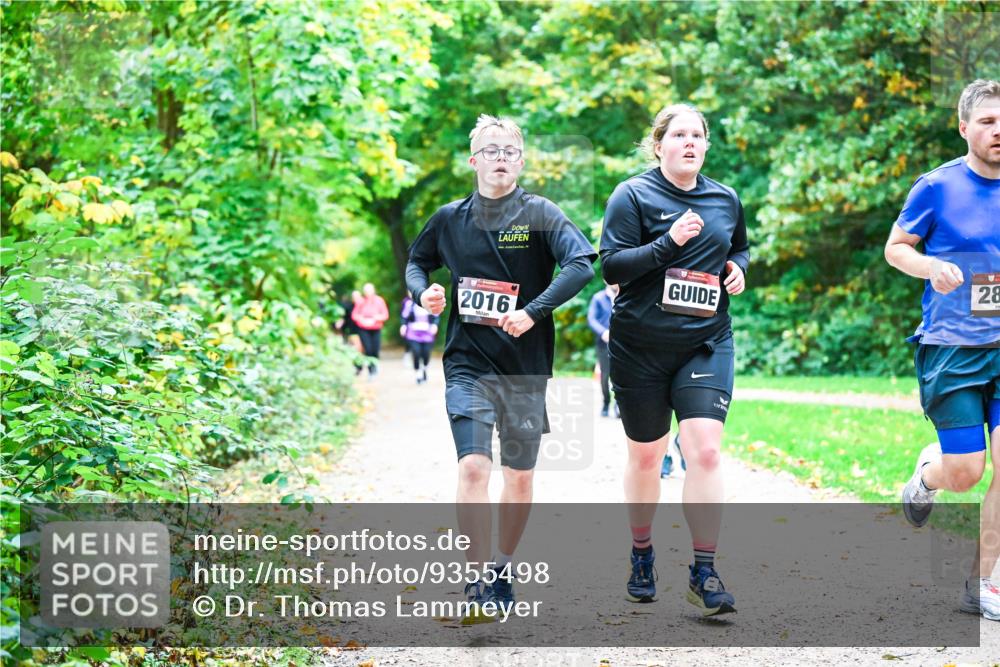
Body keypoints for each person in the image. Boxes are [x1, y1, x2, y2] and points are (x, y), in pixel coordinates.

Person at [406, 114, 596, 609]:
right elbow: (417, 261)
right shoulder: (450, 218)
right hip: (468, 362)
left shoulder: (540, 213)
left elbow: (581, 264)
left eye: (510, 151)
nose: (501, 159)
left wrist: (532, 312)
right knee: (473, 465)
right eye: (491, 150)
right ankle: (475, 582)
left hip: (524, 367)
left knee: (519, 475)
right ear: (474, 161)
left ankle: (501, 567)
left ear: (521, 162)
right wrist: (422, 290)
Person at [600, 103, 748, 616]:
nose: (689, 142)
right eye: (678, 134)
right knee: (645, 456)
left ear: (706, 145)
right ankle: (642, 553)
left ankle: (704, 570)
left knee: (705, 450)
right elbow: (611, 265)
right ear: (658, 143)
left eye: (698, 135)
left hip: (705, 341)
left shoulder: (724, 198)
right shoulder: (632, 195)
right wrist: (668, 243)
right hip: (639, 346)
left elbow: (740, 248)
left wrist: (738, 269)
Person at [886, 79, 1000, 620]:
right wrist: (930, 266)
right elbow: (896, 248)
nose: (998, 131)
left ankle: (983, 582)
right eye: (987, 121)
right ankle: (928, 474)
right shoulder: (936, 187)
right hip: (953, 347)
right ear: (964, 128)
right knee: (966, 472)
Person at [587, 282, 619, 417]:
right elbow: (591, 319)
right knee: (605, 375)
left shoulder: (625, 297)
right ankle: (606, 403)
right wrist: (603, 332)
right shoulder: (598, 298)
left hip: (621, 343)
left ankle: (618, 406)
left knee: (621, 376)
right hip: (603, 343)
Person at [351, 283, 389, 378]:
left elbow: (385, 315)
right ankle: (371, 370)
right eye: (366, 290)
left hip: (376, 328)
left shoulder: (379, 300)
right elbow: (354, 315)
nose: (368, 292)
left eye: (369, 290)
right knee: (368, 349)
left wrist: (376, 318)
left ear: (373, 290)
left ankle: (375, 366)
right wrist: (361, 319)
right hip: (363, 329)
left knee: (375, 349)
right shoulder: (361, 301)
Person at [401, 291, 439, 384]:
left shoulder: (429, 303)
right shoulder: (409, 304)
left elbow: (436, 316)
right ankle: (418, 372)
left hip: (427, 333)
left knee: (426, 353)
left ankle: (424, 369)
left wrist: (435, 325)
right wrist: (403, 326)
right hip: (413, 333)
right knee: (416, 353)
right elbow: (404, 317)